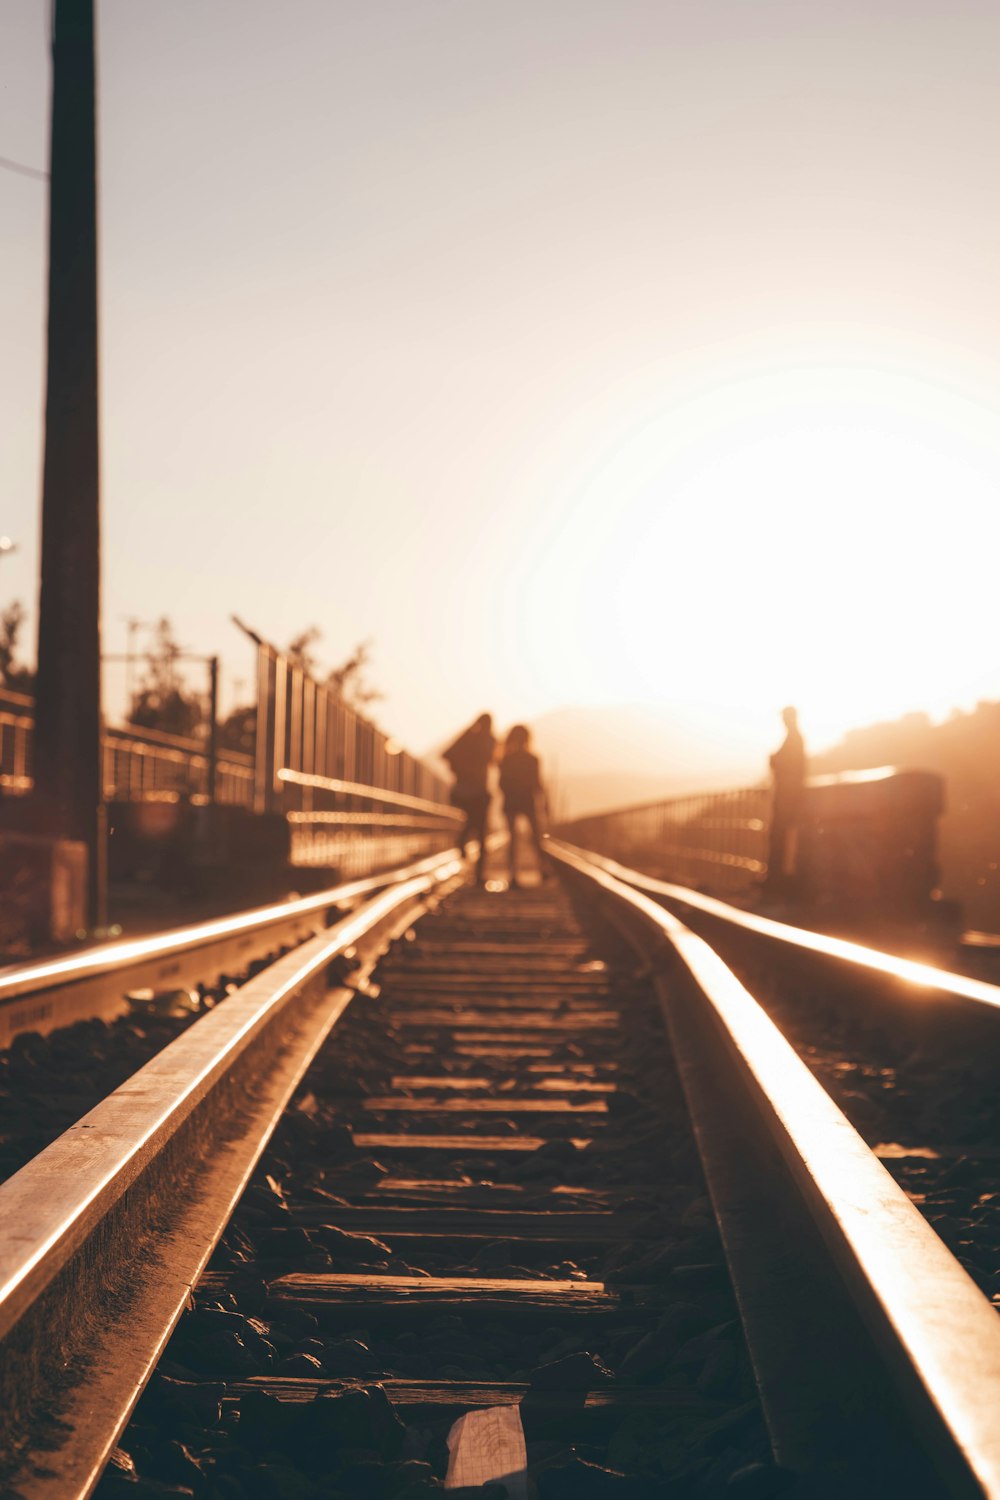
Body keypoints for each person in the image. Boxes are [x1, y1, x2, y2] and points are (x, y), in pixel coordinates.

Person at [443, 712, 496, 882]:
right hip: (478, 792)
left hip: (465, 792)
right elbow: (492, 760)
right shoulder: (488, 740)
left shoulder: (468, 738)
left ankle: (462, 842)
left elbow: (446, 754)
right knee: (480, 831)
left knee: (475, 825)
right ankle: (480, 874)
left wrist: (460, 771)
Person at [499, 723, 548, 888]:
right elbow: (537, 784)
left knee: (512, 840)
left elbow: (501, 784)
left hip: (511, 802)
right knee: (536, 838)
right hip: (528, 802)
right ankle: (543, 871)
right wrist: (544, 804)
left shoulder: (506, 760)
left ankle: (513, 875)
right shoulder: (532, 759)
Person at [766, 705, 806, 891]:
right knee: (781, 838)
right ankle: (778, 880)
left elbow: (788, 766)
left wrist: (774, 759)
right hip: (788, 797)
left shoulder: (794, 739)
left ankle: (779, 882)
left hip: (787, 798)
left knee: (781, 838)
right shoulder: (794, 738)